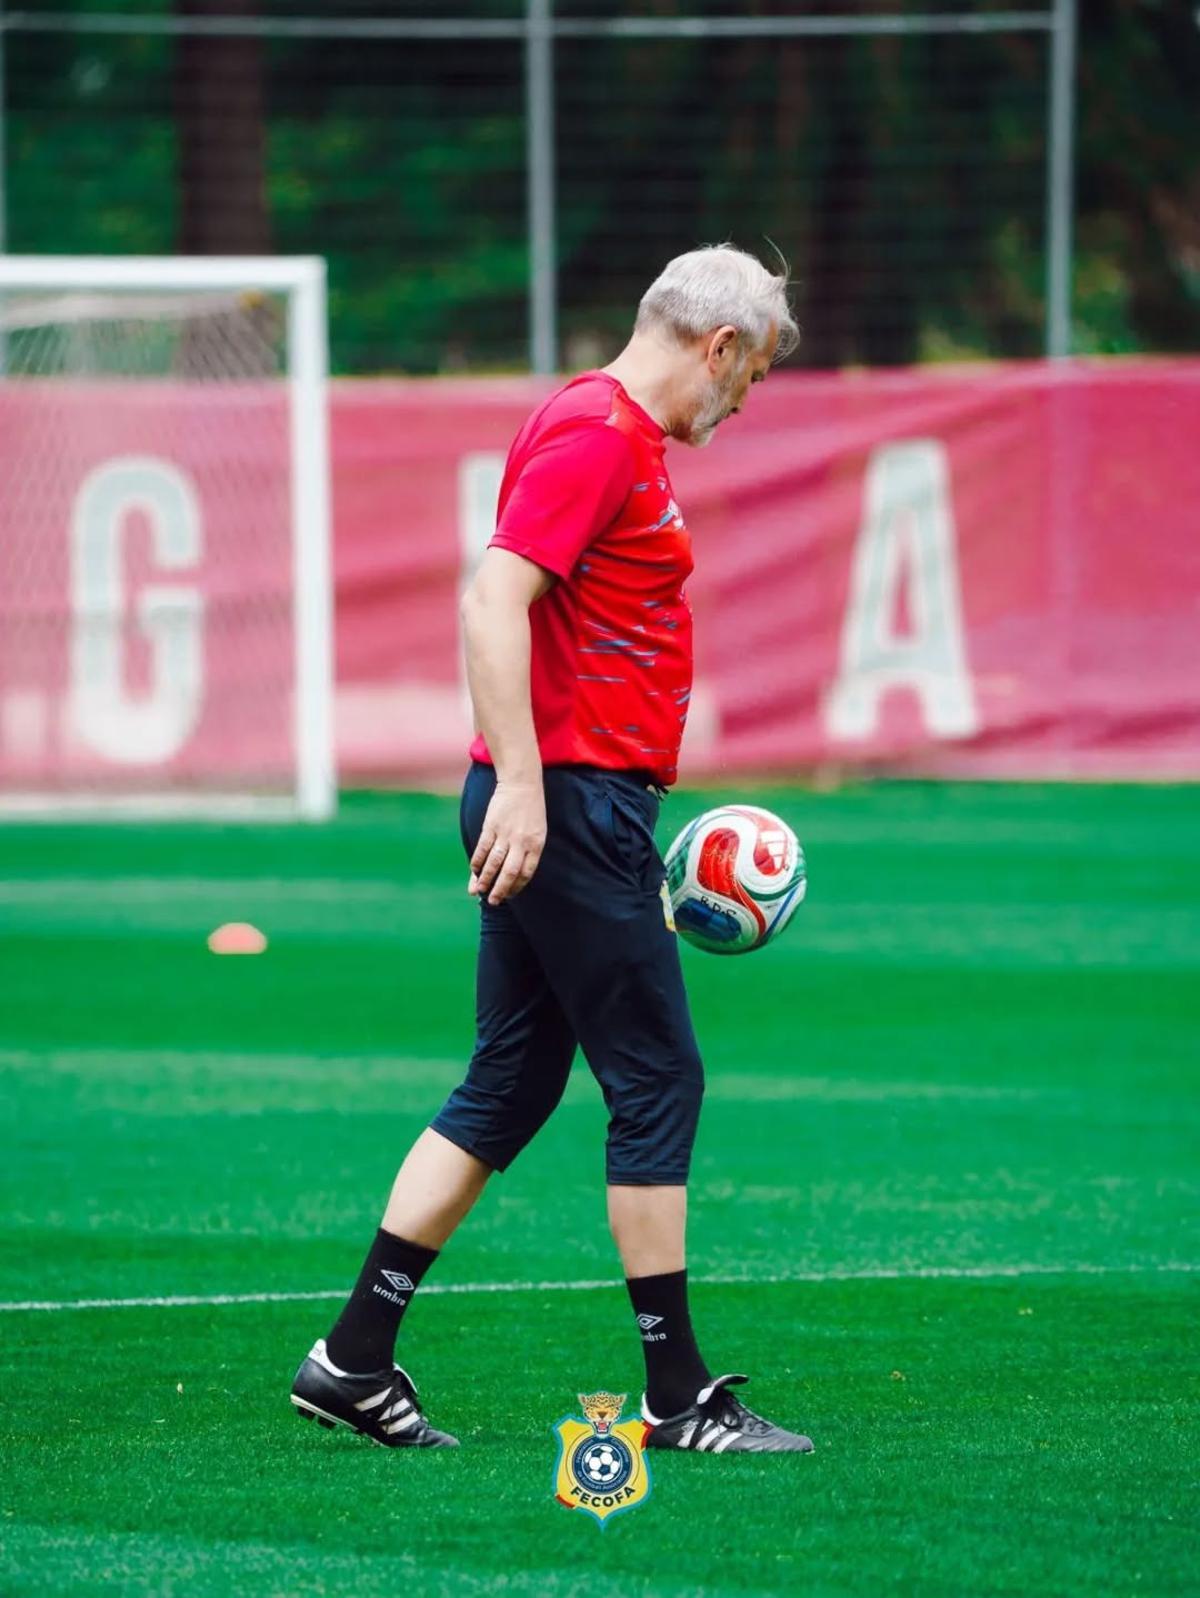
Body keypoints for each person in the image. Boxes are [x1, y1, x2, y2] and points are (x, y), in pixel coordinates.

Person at [291, 245, 814, 1455]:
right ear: (719, 346)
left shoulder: (605, 429)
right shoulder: (598, 434)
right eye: (750, 378)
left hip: (571, 799)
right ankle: (679, 1396)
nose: (740, 407)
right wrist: (524, 783)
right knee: (659, 1077)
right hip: (566, 802)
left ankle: (351, 1359)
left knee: (514, 1080)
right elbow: (491, 598)